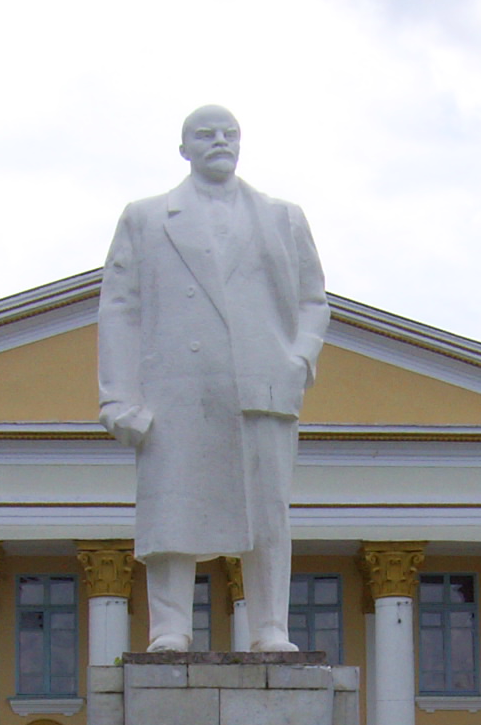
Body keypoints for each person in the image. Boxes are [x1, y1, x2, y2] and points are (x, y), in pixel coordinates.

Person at [98, 104, 328, 652]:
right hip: (177, 385)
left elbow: (313, 300)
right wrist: (118, 396)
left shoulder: (282, 217)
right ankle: (170, 627)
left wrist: (298, 361)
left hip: (262, 383)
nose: (219, 141)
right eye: (205, 134)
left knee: (267, 511)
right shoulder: (147, 217)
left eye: (229, 133)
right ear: (184, 148)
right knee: (172, 505)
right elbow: (119, 309)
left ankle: (270, 626)